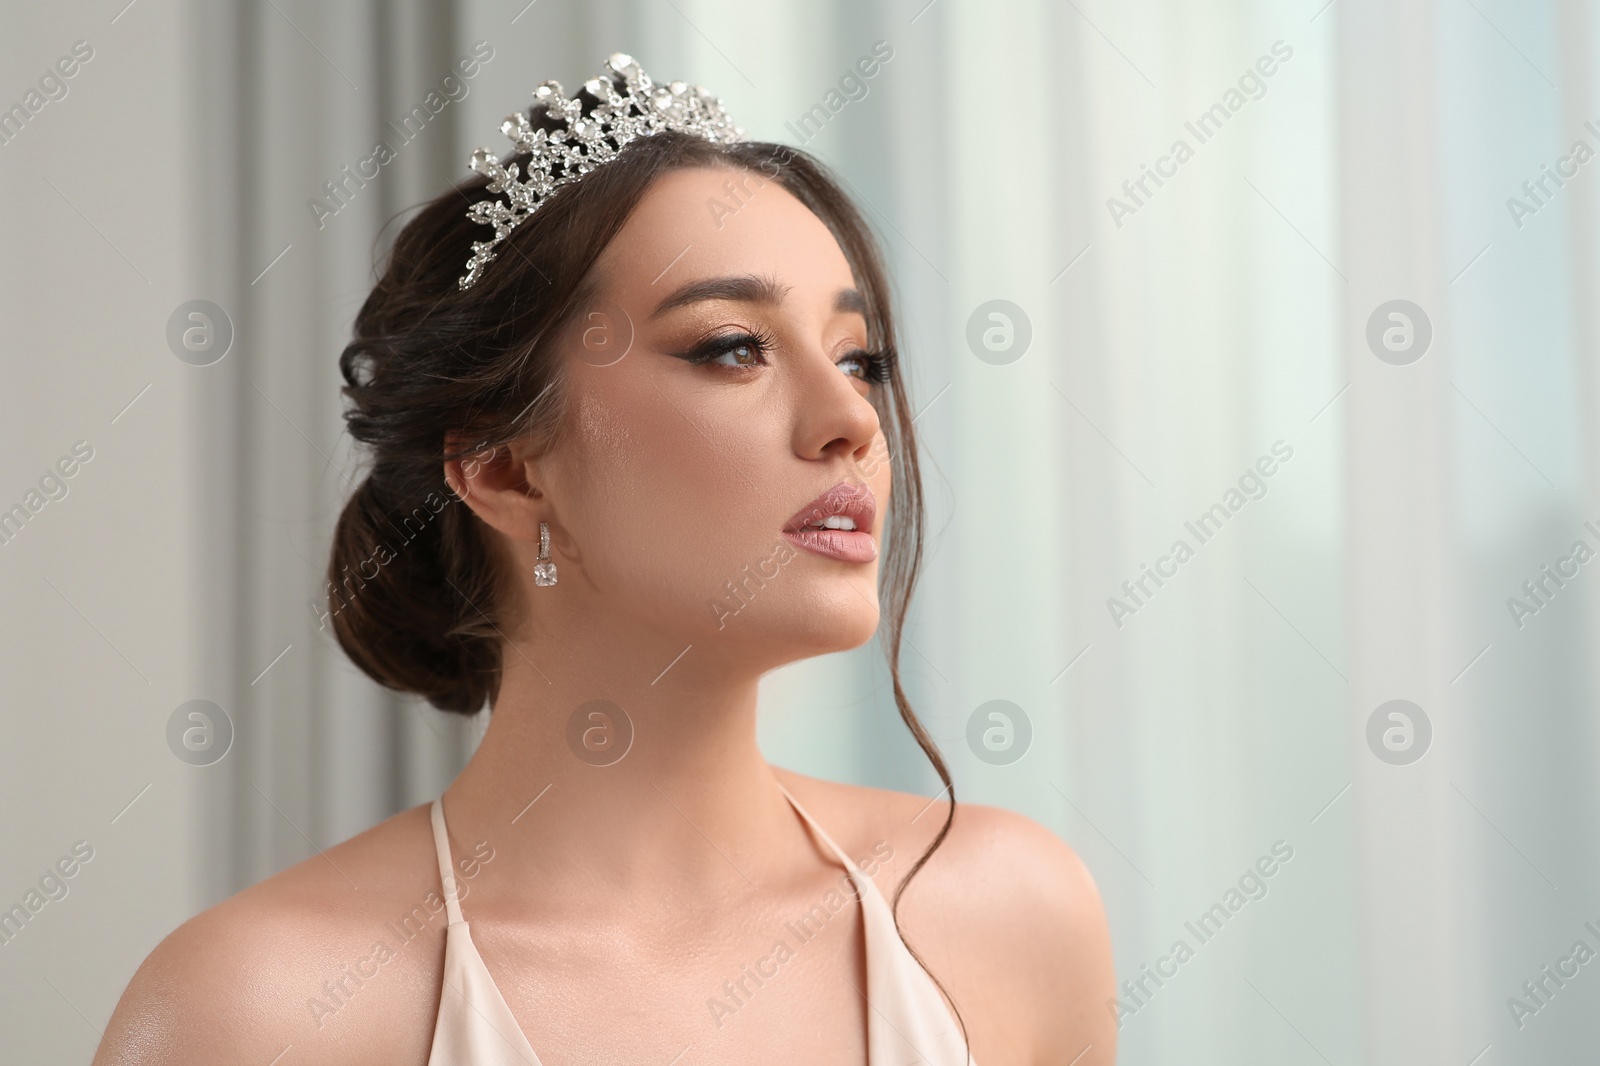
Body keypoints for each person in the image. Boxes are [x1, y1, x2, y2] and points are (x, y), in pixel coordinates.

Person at [93, 54, 1114, 1065]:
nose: (851, 419)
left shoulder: (1001, 916)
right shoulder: (257, 1012)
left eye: (861, 358)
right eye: (729, 347)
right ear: (504, 468)